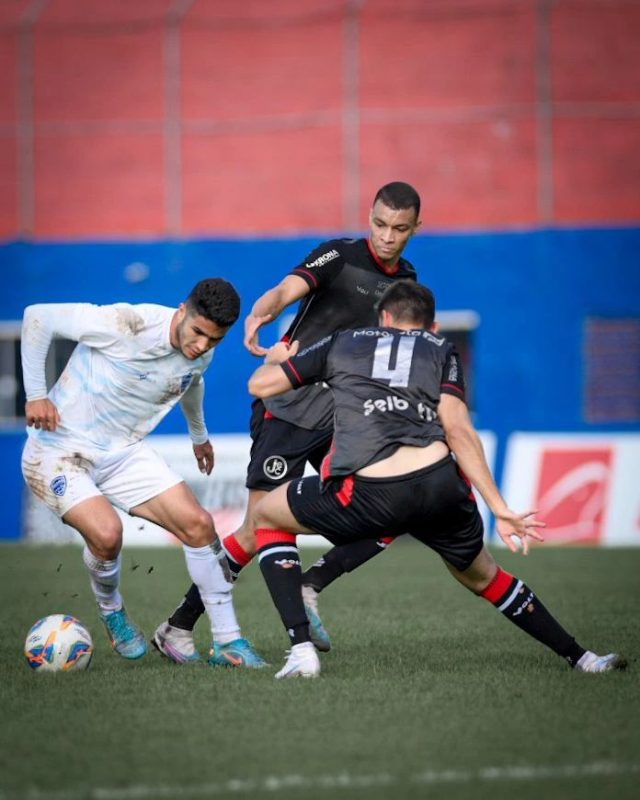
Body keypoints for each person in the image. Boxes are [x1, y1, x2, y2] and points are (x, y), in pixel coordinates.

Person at [246, 279, 627, 678]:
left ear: (384, 318)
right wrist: (500, 509)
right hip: (440, 486)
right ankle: (584, 658)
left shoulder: (345, 341)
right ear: (432, 327)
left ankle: (302, 650)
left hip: (372, 490)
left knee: (267, 516)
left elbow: (260, 386)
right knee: (486, 577)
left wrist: (276, 358)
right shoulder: (442, 350)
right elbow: (459, 430)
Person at [153, 181, 422, 661]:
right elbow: (285, 291)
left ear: (415, 229)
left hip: (343, 420)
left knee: (392, 510)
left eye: (399, 229)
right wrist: (261, 314)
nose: (387, 236)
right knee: (258, 529)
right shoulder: (339, 255)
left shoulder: (409, 285)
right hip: (288, 407)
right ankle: (178, 626)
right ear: (370, 217)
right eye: (380, 224)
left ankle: (310, 585)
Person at [21, 279, 266, 667]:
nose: (202, 345)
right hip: (58, 449)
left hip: (123, 451)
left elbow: (192, 382)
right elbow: (37, 318)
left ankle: (227, 642)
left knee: (200, 526)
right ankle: (110, 609)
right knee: (107, 535)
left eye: (214, 340)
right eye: (198, 332)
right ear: (182, 311)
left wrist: (199, 437)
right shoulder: (127, 323)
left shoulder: (201, 352)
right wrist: (36, 394)